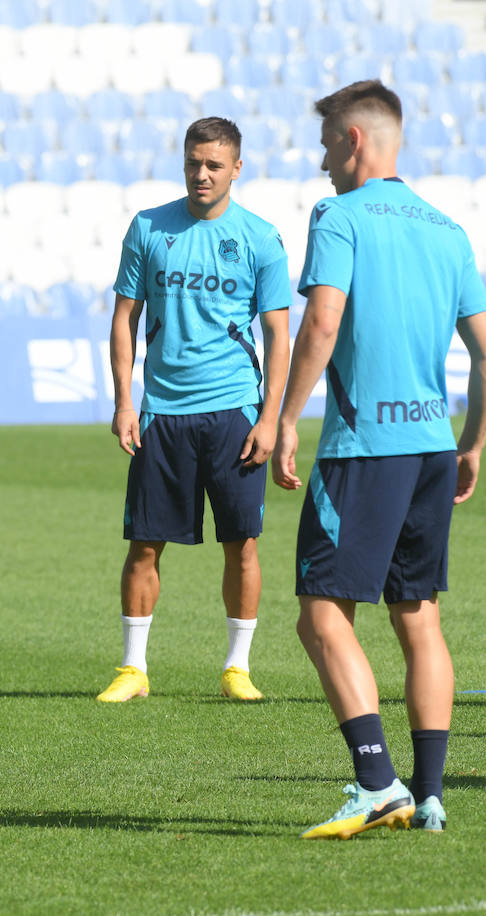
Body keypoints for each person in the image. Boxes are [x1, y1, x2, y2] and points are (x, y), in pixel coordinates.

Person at [272, 80, 486, 839]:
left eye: (328, 141)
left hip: (366, 451)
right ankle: (429, 795)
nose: (323, 158)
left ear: (355, 140)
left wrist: (284, 418)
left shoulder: (338, 216)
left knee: (321, 613)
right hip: (432, 446)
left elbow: (321, 324)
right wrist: (474, 441)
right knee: (418, 618)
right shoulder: (447, 228)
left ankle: (375, 781)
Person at [99, 117, 291, 703]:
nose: (201, 174)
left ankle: (238, 667)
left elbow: (280, 335)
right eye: (192, 162)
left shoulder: (260, 237)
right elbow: (124, 320)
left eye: (213, 165)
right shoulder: (150, 227)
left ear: (237, 168)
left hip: (233, 409)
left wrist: (269, 419)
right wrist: (125, 400)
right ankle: (133, 669)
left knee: (244, 542)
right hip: (161, 412)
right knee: (145, 544)